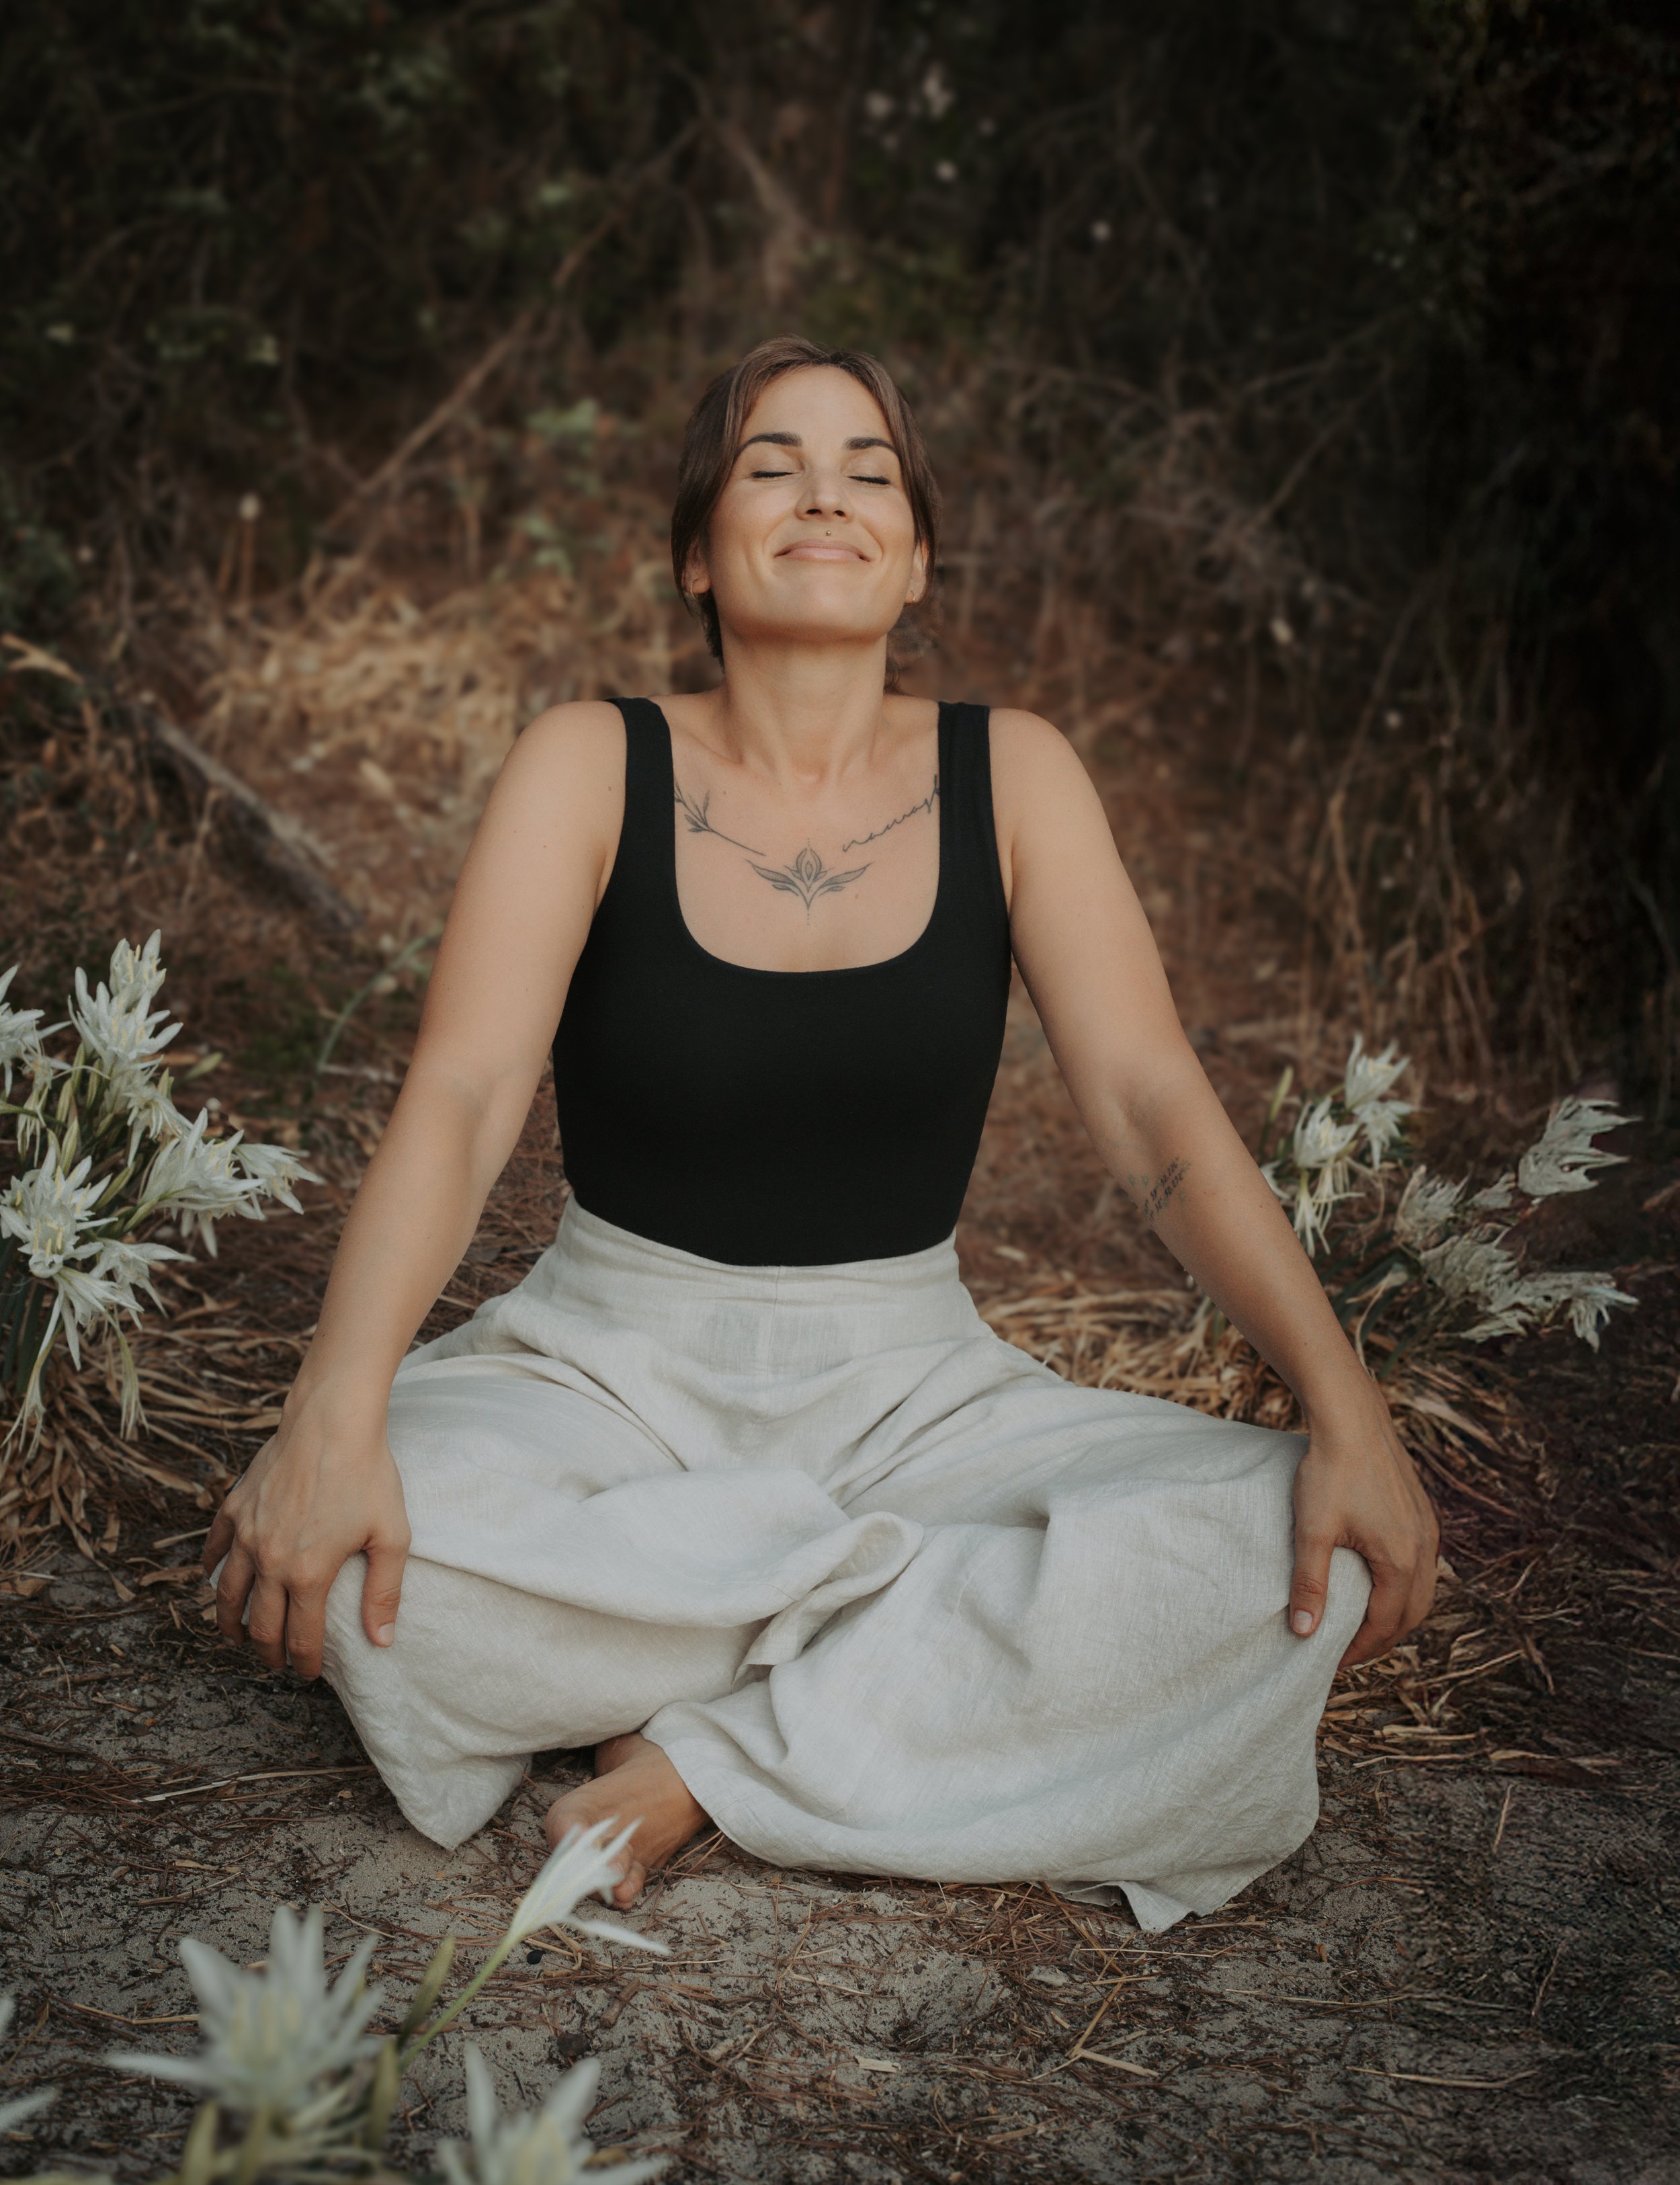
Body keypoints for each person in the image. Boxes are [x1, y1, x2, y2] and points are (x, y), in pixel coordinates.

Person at [204, 336, 1437, 1932]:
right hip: (601, 1374)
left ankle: (705, 1761)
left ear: (916, 558)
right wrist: (330, 1411)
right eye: (770, 466)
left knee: (1299, 1565)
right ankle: (902, 1644)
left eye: (867, 472)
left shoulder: (1017, 777)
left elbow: (1149, 1108)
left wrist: (1346, 1409)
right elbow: (458, 1098)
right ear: (691, 555)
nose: (822, 496)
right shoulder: (586, 763)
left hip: (916, 1394)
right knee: (388, 1576)